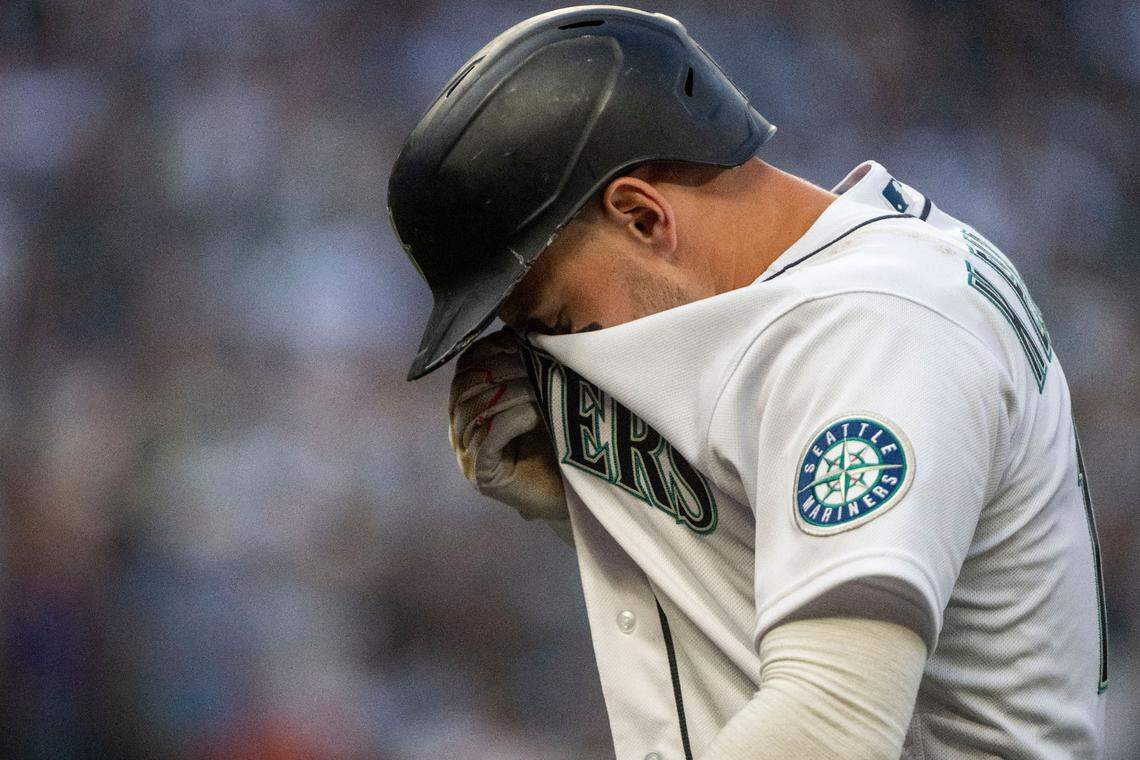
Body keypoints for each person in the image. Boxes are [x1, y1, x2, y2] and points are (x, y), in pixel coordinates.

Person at [389, 6, 1108, 759]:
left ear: (641, 217)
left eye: (557, 317)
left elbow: (831, 726)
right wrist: (613, 510)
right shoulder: (826, 292)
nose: (550, 354)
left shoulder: (877, 331)